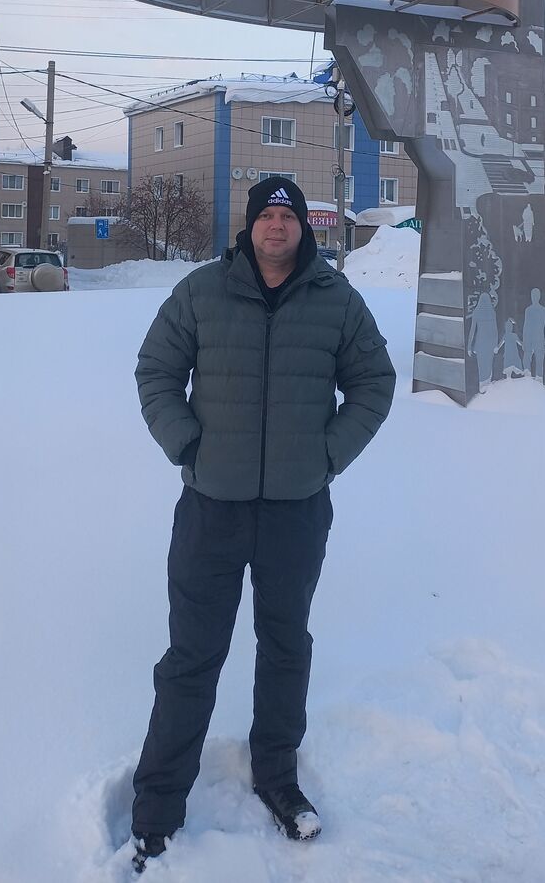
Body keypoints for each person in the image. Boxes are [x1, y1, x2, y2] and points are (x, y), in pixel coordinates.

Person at [130, 175, 396, 873]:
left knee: (285, 647)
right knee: (192, 657)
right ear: (249, 227)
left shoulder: (336, 299)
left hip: (295, 511)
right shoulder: (202, 292)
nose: (277, 226)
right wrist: (186, 445)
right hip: (210, 509)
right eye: (267, 215)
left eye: (289, 215)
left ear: (304, 227)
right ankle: (157, 807)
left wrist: (328, 454)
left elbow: (374, 382)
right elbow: (156, 370)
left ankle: (276, 778)